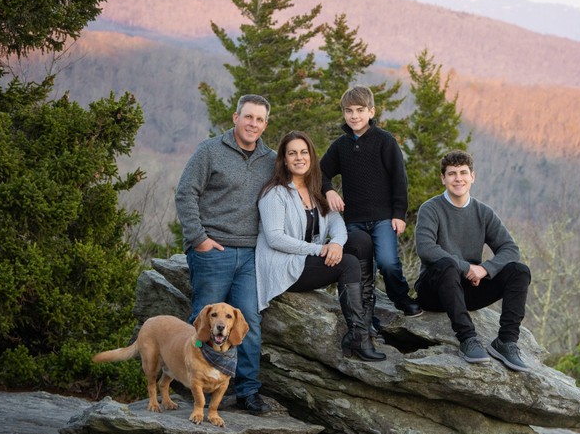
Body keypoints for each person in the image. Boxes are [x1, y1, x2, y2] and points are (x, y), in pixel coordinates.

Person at [174, 94, 276, 414]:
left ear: (265, 124)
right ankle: (194, 386)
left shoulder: (271, 160)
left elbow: (298, 188)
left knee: (248, 323)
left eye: (259, 120)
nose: (253, 124)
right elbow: (185, 193)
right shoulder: (209, 151)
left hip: (249, 254)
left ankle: (246, 391)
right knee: (204, 321)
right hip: (212, 251)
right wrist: (199, 239)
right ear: (235, 118)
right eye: (248, 117)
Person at [256, 131, 386, 362]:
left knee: (361, 241)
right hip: (283, 264)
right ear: (284, 160)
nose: (299, 158)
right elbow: (275, 238)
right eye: (292, 153)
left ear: (312, 157)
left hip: (308, 258)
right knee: (347, 264)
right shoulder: (275, 193)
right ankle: (358, 337)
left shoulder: (317, 190)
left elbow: (337, 222)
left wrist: (335, 243)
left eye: (304, 152)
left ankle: (364, 323)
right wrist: (320, 249)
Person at [414, 150, 532, 371]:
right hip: (434, 291)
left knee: (519, 270)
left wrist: (485, 270)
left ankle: (506, 342)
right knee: (447, 264)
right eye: (451, 174)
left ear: (472, 177)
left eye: (463, 173)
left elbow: (510, 249)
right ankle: (468, 338)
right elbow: (426, 249)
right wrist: (467, 267)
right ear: (443, 178)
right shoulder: (431, 208)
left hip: (469, 289)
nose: (458, 178)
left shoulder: (483, 212)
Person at [321, 85, 422, 334]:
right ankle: (368, 317)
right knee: (364, 272)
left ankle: (400, 297)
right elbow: (320, 173)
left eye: (360, 110)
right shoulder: (340, 146)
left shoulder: (385, 141)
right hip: (354, 221)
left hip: (383, 218)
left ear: (371, 111)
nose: (354, 116)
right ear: (343, 114)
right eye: (349, 111)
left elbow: (399, 179)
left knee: (388, 263)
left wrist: (399, 214)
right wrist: (329, 190)